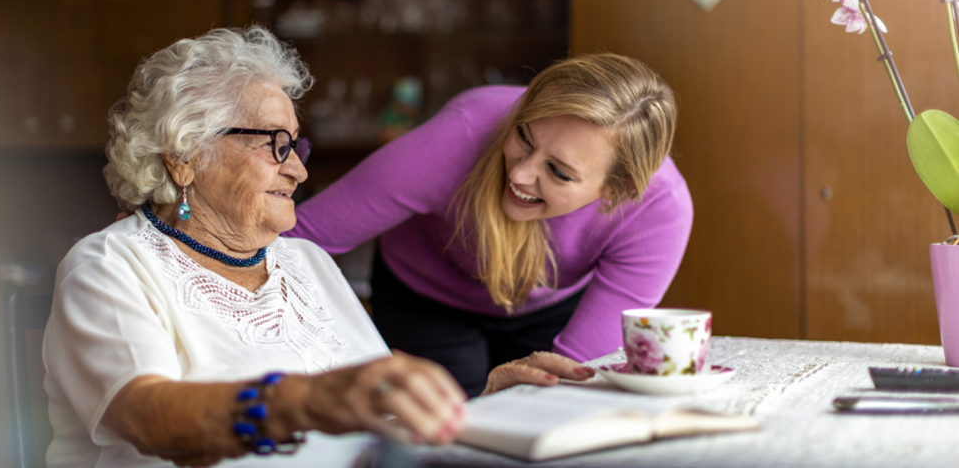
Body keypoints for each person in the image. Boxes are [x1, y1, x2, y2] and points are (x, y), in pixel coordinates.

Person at [42, 27, 593, 468]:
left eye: (297, 145)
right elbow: (148, 418)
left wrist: (480, 399)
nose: (300, 169)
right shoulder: (111, 266)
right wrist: (304, 401)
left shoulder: (304, 262)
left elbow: (379, 419)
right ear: (184, 156)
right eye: (275, 145)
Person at [286, 53, 693, 397]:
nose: (520, 174)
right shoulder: (462, 133)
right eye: (524, 137)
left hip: (550, 306)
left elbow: (573, 382)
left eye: (558, 172)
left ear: (616, 192)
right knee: (442, 430)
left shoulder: (659, 211)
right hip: (426, 296)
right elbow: (295, 238)